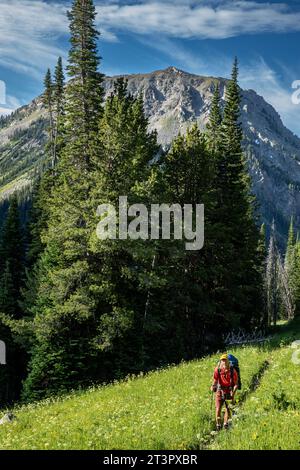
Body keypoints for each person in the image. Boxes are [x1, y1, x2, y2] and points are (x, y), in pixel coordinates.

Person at [211, 353, 238, 431]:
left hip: (229, 390)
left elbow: (236, 384)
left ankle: (226, 424)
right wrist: (213, 386)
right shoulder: (218, 370)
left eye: (225, 360)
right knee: (218, 408)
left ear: (228, 361)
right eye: (222, 360)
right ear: (220, 361)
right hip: (220, 390)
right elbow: (215, 380)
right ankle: (218, 425)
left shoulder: (233, 371)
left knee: (227, 408)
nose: (223, 362)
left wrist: (233, 393)